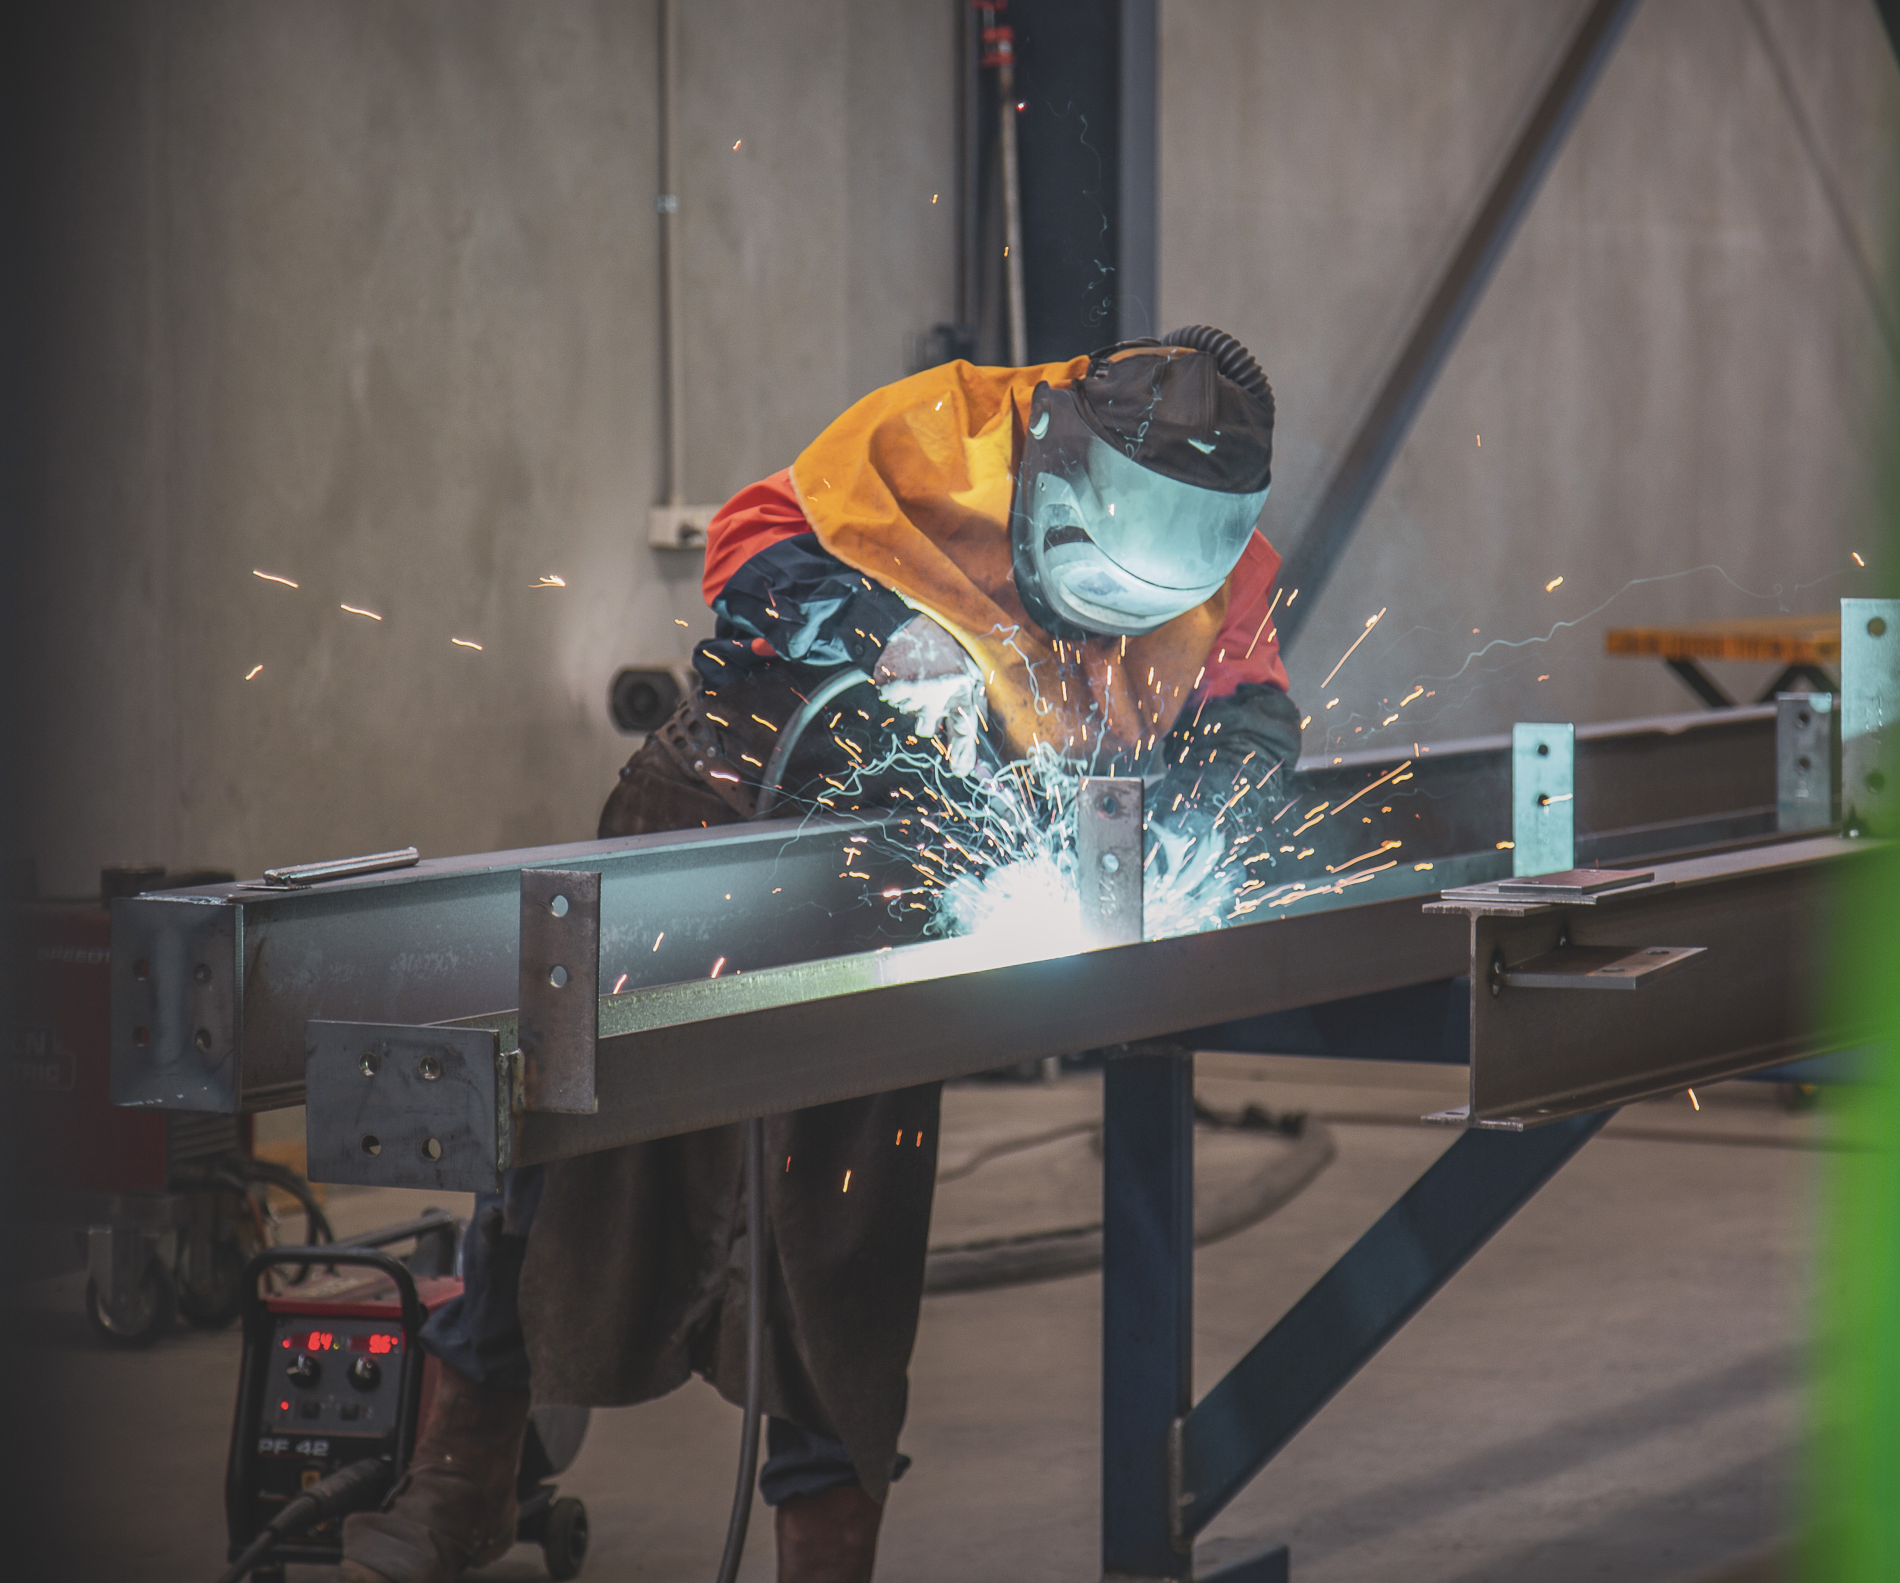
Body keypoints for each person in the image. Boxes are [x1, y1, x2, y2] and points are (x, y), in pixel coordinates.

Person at [339, 327, 1302, 1583]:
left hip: (900, 885)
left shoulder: (1227, 562)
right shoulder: (941, 432)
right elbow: (751, 545)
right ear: (1061, 458)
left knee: (841, 1235)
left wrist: (1204, 812)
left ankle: (821, 1553)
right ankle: (458, 1483)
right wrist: (865, 631)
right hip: (707, 822)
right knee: (563, 1157)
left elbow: (1251, 714)